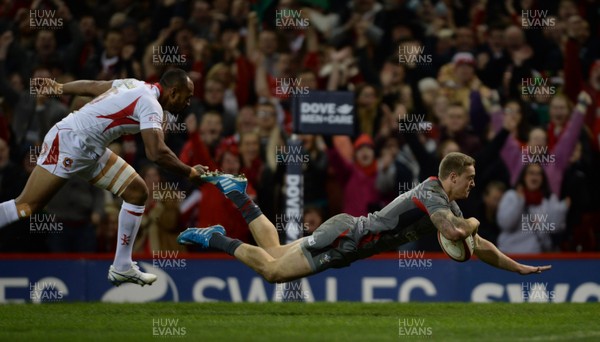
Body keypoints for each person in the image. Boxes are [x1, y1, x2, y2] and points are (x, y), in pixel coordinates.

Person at [178, 152, 550, 283]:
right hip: (346, 239)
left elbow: (478, 247)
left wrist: (519, 269)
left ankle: (239, 195)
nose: (473, 185)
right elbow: (458, 231)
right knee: (274, 272)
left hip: (347, 237)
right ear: (452, 176)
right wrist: (474, 222)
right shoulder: (433, 195)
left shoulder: (444, 201)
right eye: (469, 179)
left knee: (272, 252)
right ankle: (215, 237)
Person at [0, 68, 208, 286]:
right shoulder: (150, 104)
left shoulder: (136, 84)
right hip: (68, 144)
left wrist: (60, 88)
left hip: (91, 150)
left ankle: (122, 266)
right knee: (26, 206)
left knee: (137, 192)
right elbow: (156, 153)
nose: (188, 103)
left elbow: (93, 86)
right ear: (174, 92)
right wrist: (190, 172)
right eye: (188, 96)